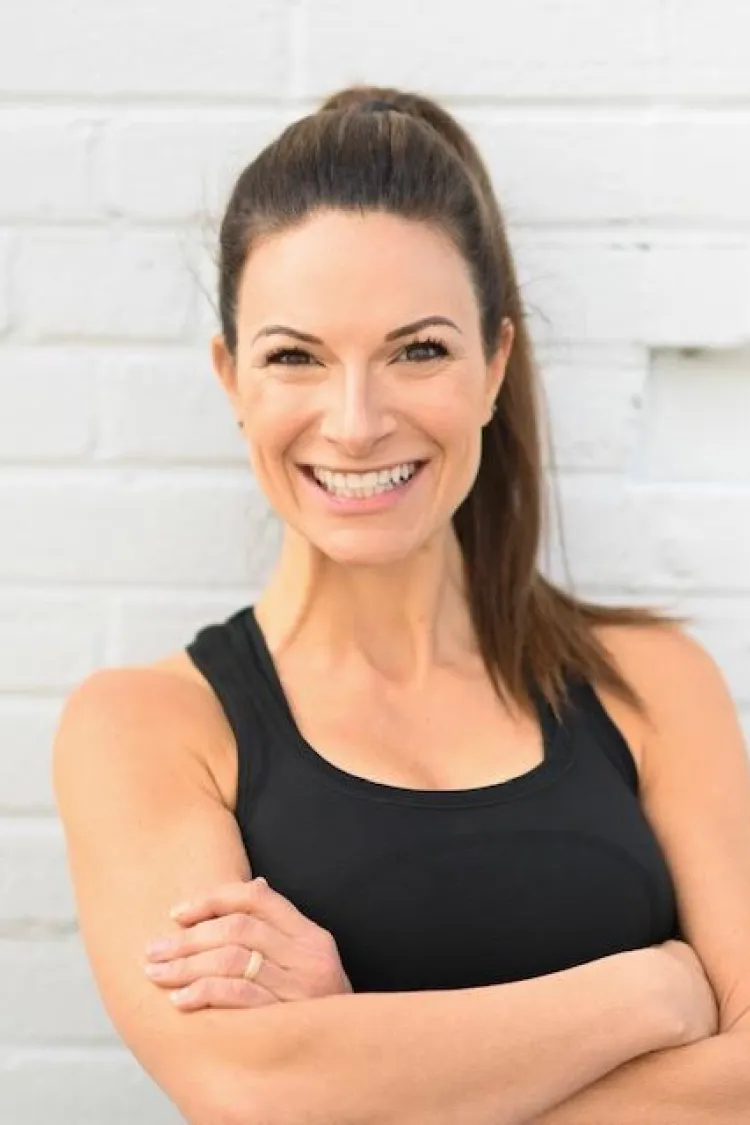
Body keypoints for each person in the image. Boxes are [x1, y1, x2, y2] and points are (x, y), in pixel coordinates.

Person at [53, 86, 750, 1125]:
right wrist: (651, 991)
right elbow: (254, 1088)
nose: (356, 420)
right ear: (231, 378)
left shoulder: (650, 682)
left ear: (493, 366)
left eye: (417, 350)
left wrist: (365, 1056)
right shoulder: (148, 730)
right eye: (295, 356)